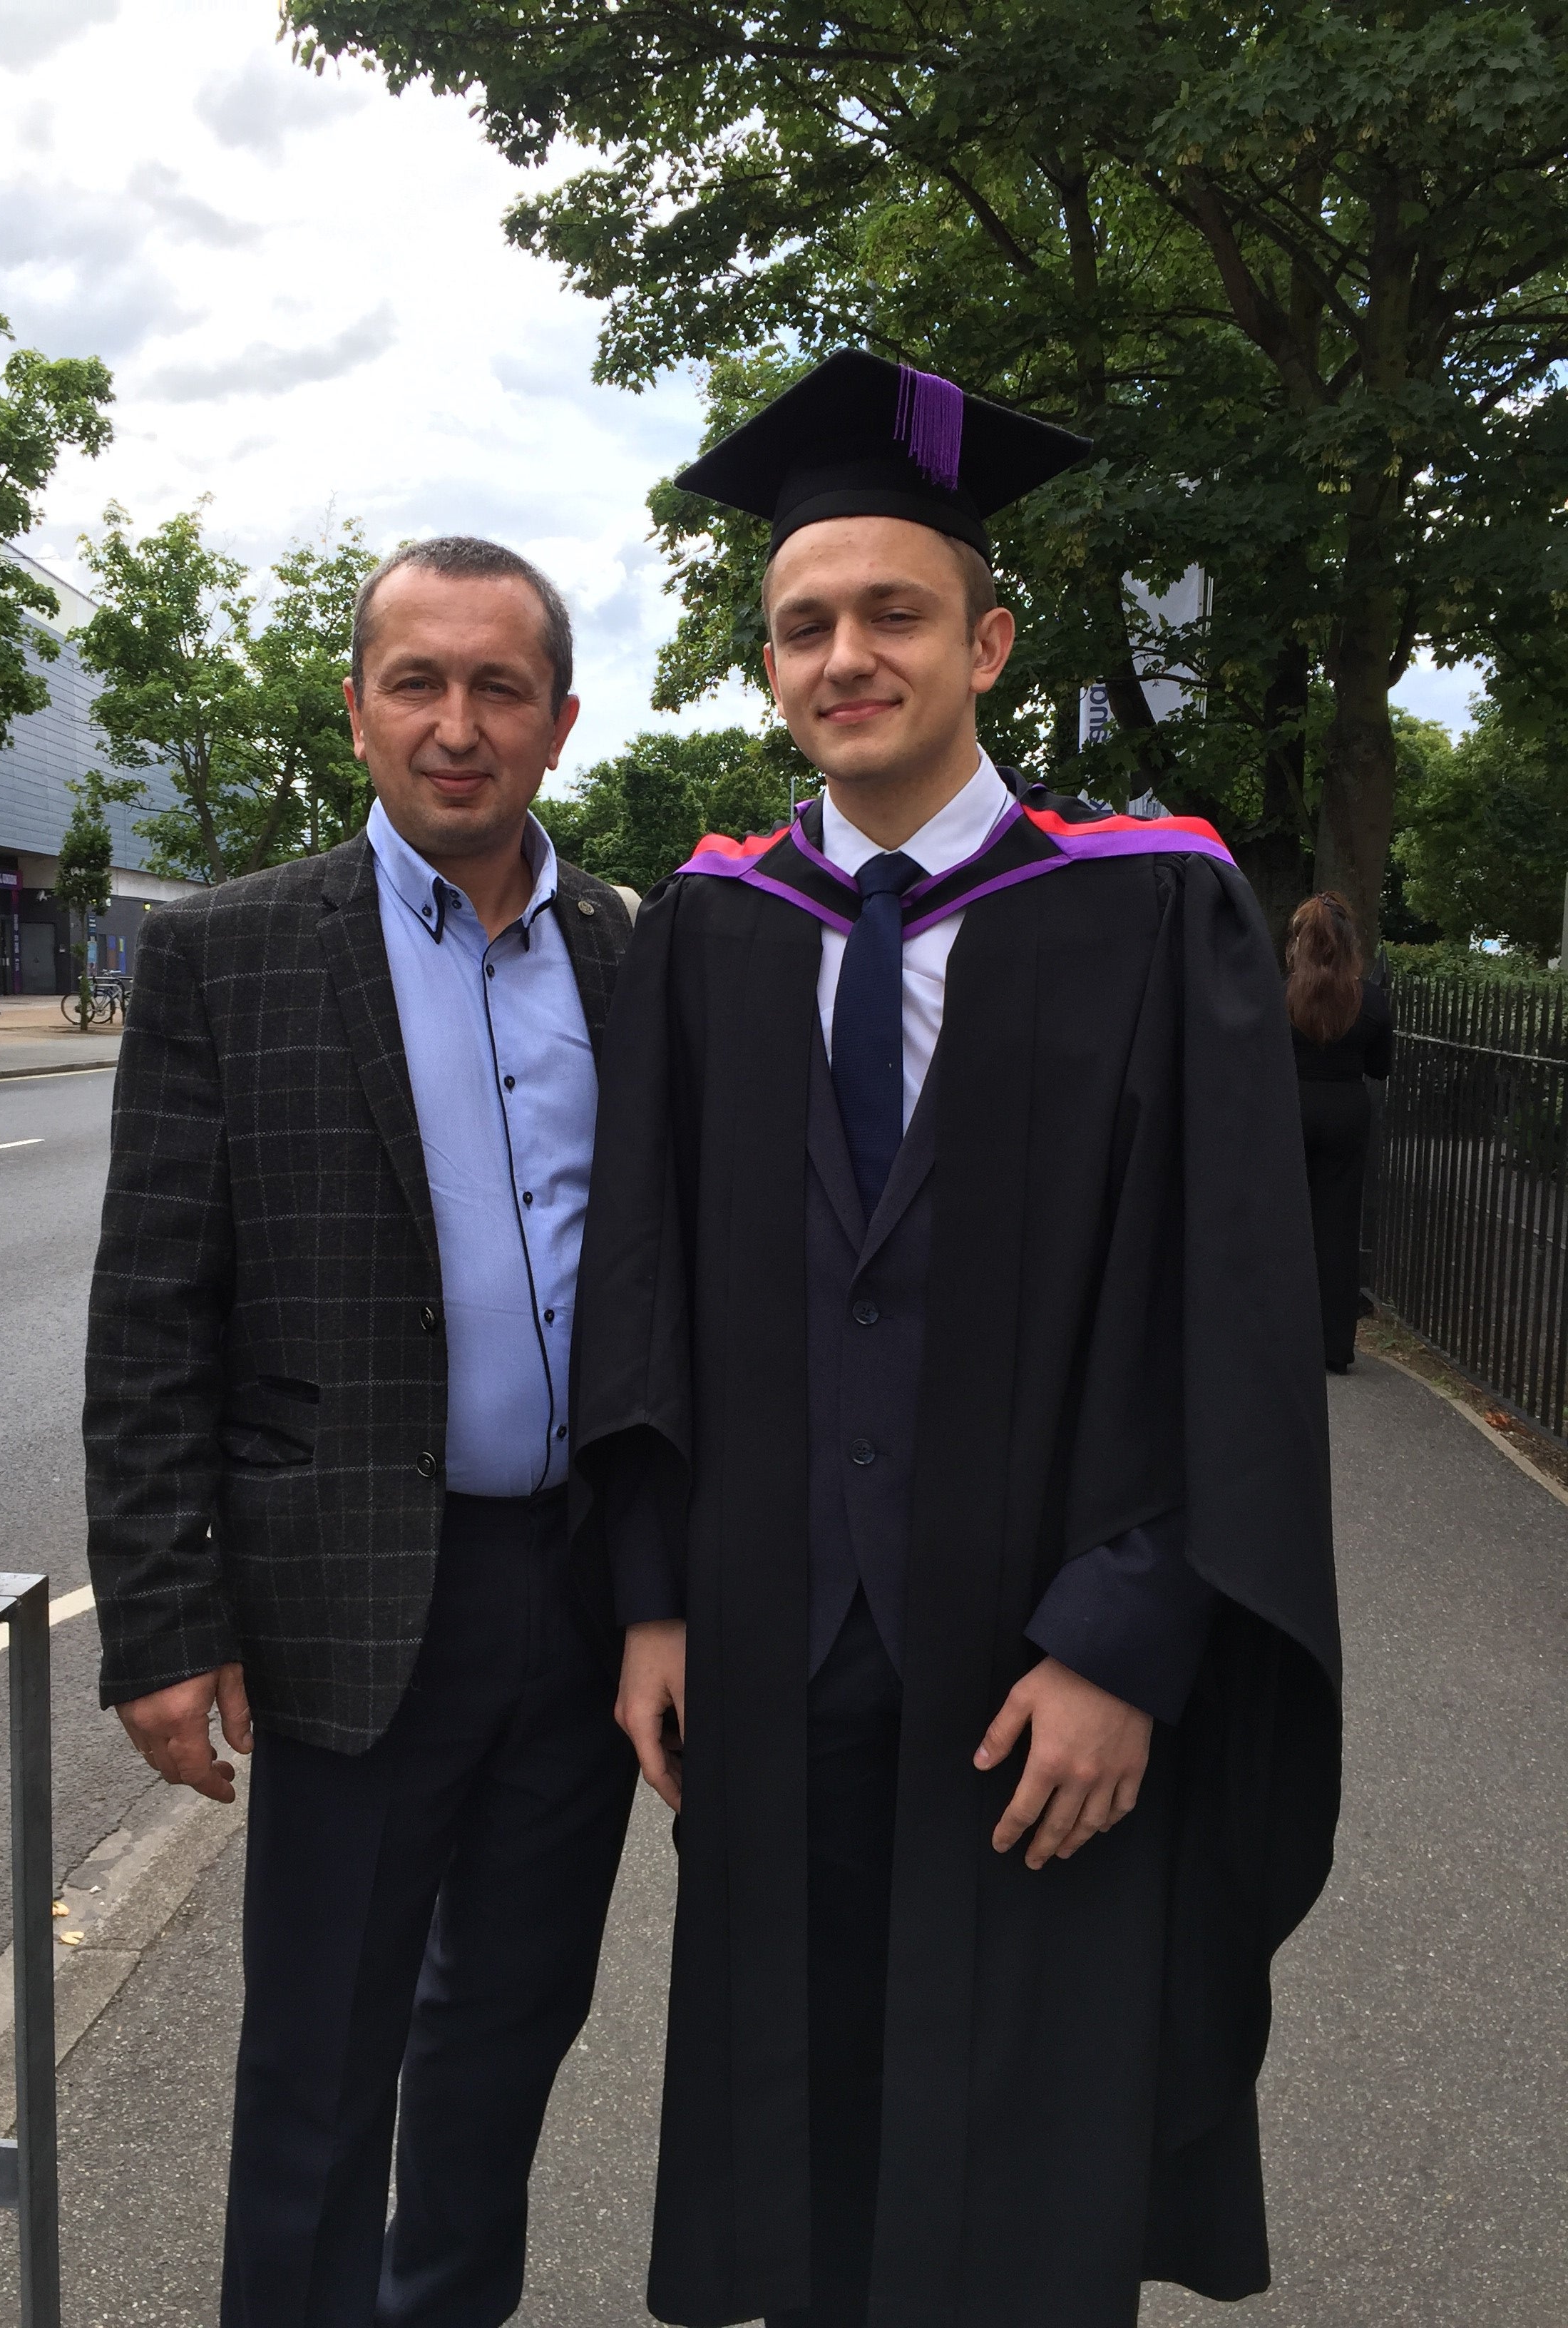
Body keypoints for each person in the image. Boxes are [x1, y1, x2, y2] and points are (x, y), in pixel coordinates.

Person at [573, 352, 1342, 2328]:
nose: (848, 655)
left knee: (1030, 2159)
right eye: (803, 625)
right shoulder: (719, 931)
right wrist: (653, 1597)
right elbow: (641, 1285)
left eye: (893, 613)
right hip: (779, 1647)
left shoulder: (1156, 912)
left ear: (988, 642)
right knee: (805, 2133)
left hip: (1039, 1656)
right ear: (768, 668)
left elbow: (1234, 1302)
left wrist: (1133, 1634)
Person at [84, 536, 640, 2328]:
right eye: (417, 681)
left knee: (503, 2044)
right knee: (319, 2066)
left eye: (497, 688)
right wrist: (166, 1621)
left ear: (559, 721)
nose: (454, 725)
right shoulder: (226, 955)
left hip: (579, 1599)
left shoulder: (638, 958)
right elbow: (153, 1308)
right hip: (349, 1601)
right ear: (355, 707)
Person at [1286, 890, 1393, 1374]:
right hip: (1347, 1109)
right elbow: (1381, 1067)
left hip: (1291, 1107)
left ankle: (1282, 1333)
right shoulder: (1370, 1000)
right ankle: (1334, 1344)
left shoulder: (1281, 993)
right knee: (1337, 1224)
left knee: (1286, 1221)